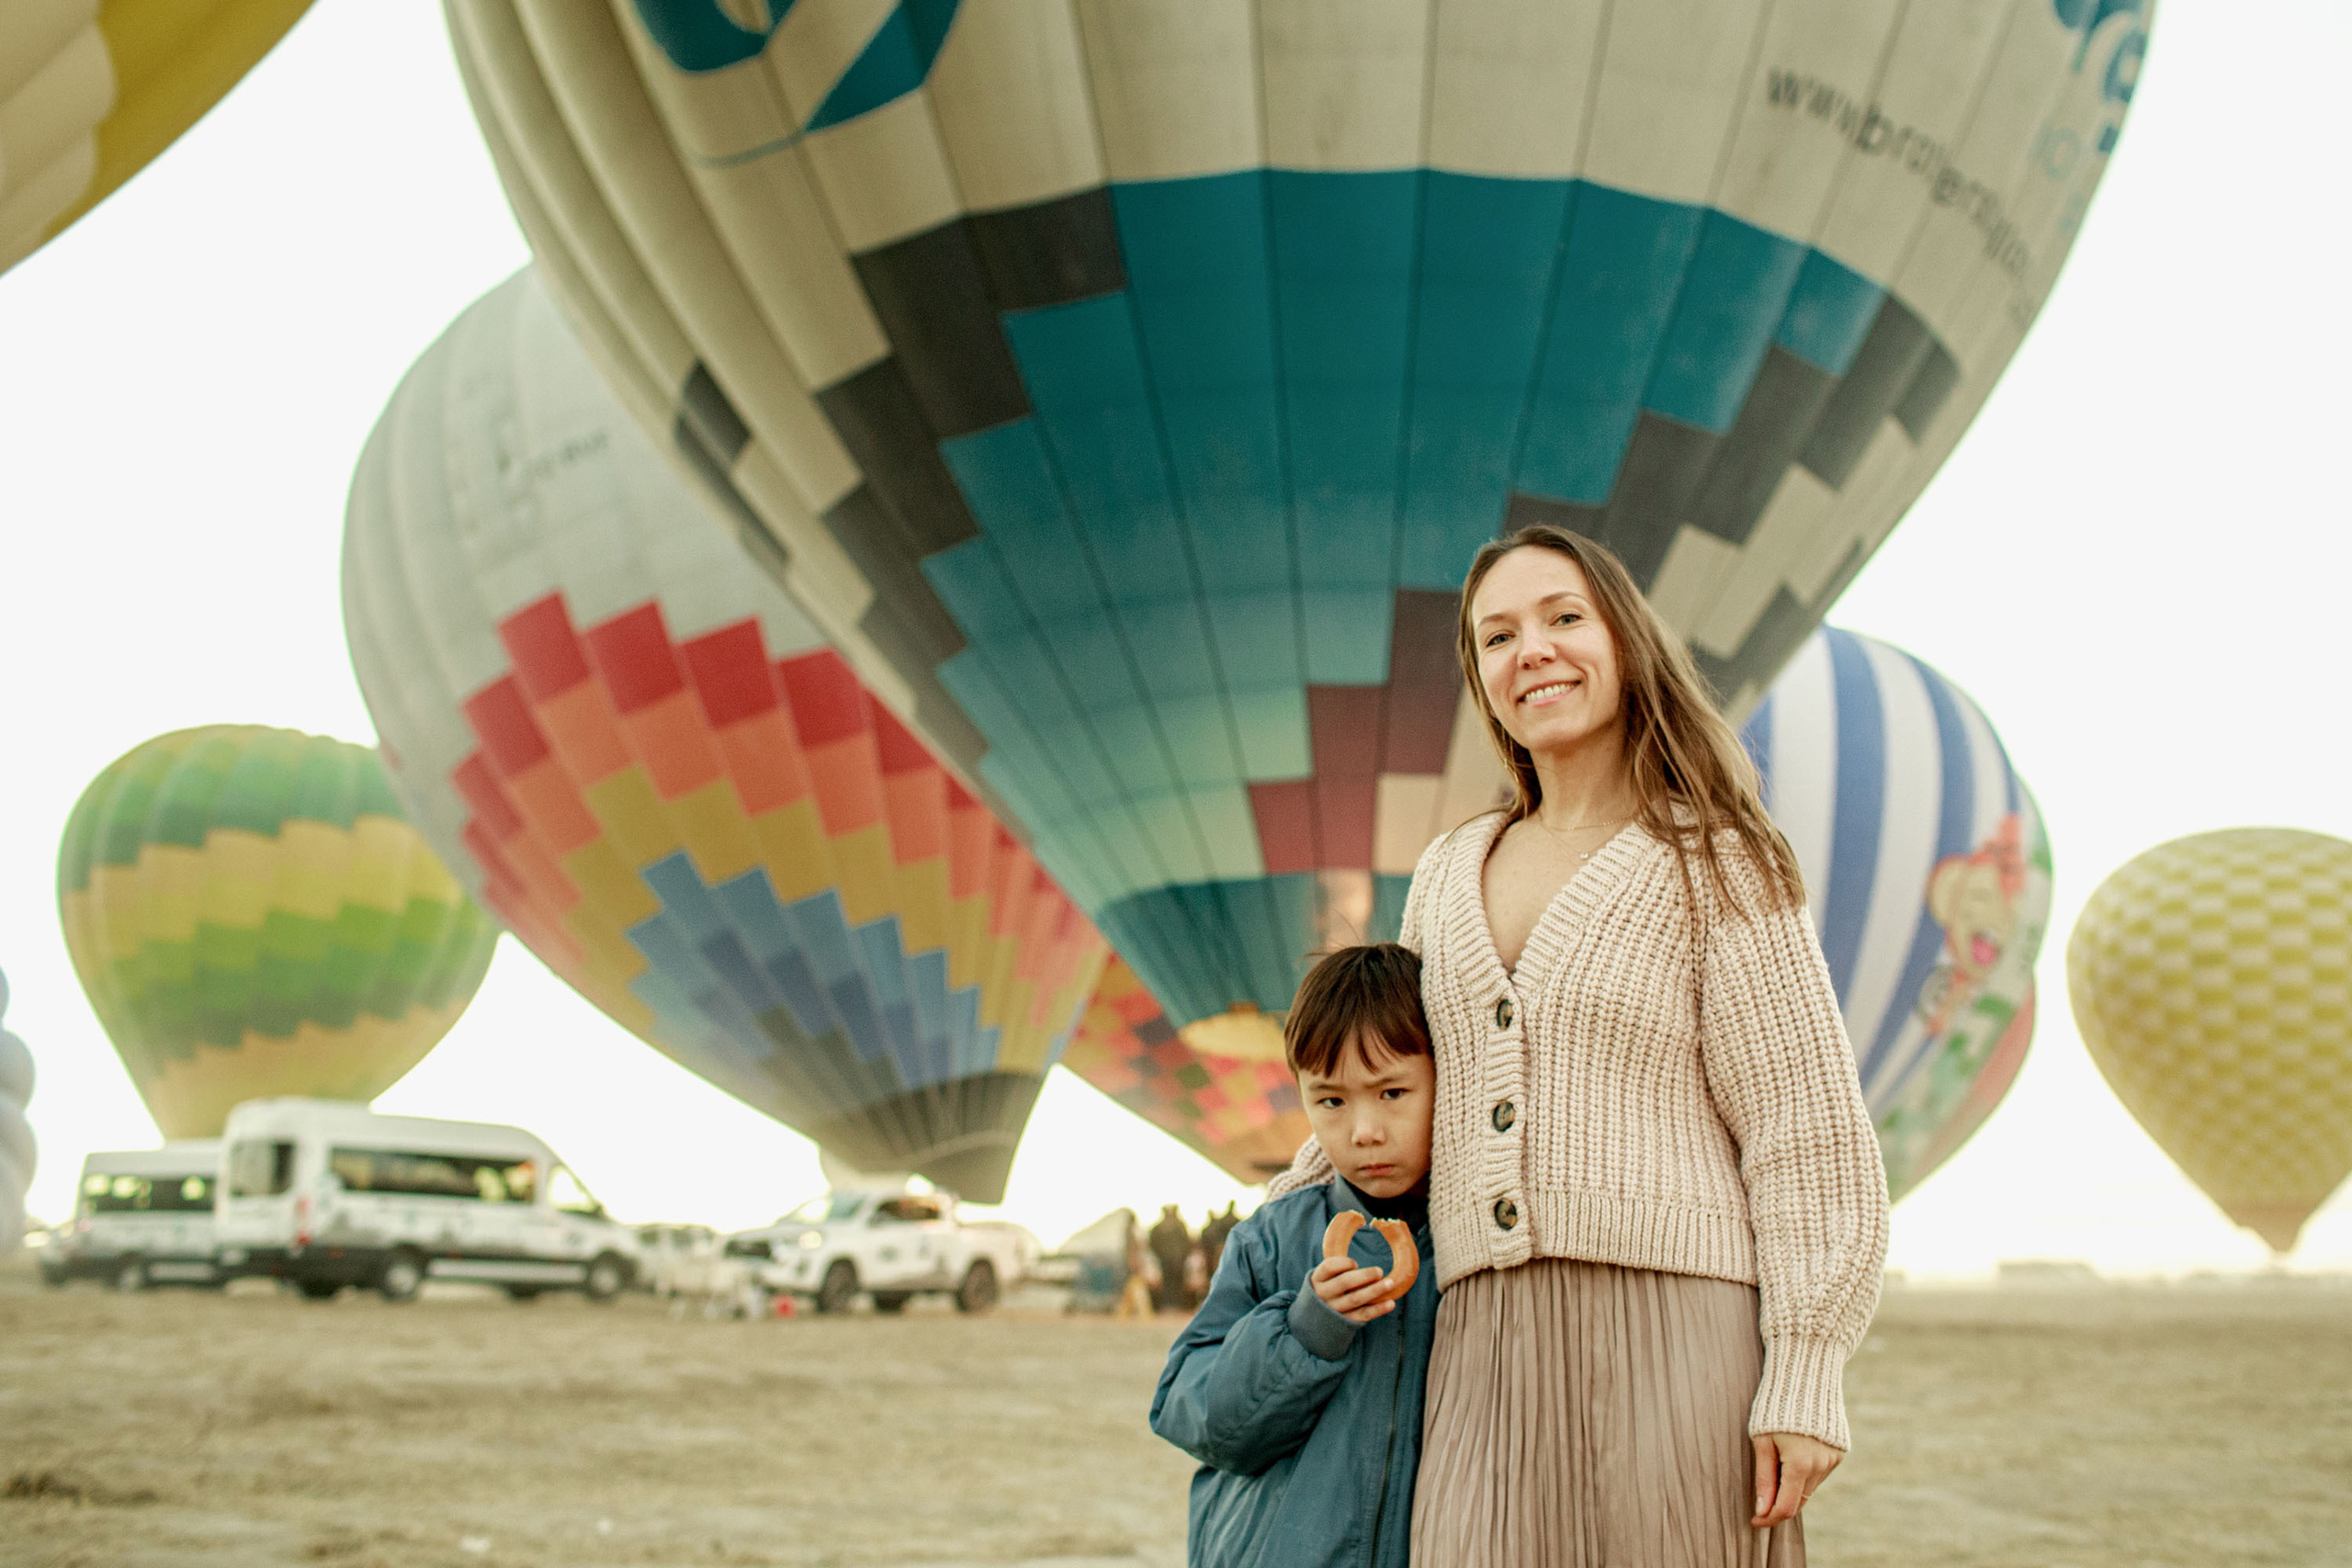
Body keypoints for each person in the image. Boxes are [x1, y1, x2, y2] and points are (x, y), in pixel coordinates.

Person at [1272, 525, 1889, 1565]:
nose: (1534, 651)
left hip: (1679, 1336)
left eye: (1564, 617)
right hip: (1477, 1346)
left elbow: (1806, 1130)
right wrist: (1280, 1217)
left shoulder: (1717, 857)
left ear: (1624, 640)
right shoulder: (1447, 871)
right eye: (1497, 635)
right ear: (1480, 677)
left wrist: (1806, 1367)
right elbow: (1393, 1079)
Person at [1151, 944, 1439, 1568]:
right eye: (1331, 1101)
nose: (1364, 1131)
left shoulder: (1482, 1248)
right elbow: (1193, 1412)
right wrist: (1302, 1332)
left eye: (1393, 1092)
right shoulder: (1271, 1239)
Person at [1148, 1204, 1194, 1313]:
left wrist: (1183, 1256)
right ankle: (1169, 1305)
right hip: (1167, 1259)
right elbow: (1153, 1243)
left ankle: (1177, 1305)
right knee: (1168, 1283)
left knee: (1176, 1283)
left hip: (1177, 1260)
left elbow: (1186, 1242)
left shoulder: (1178, 1226)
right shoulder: (1162, 1227)